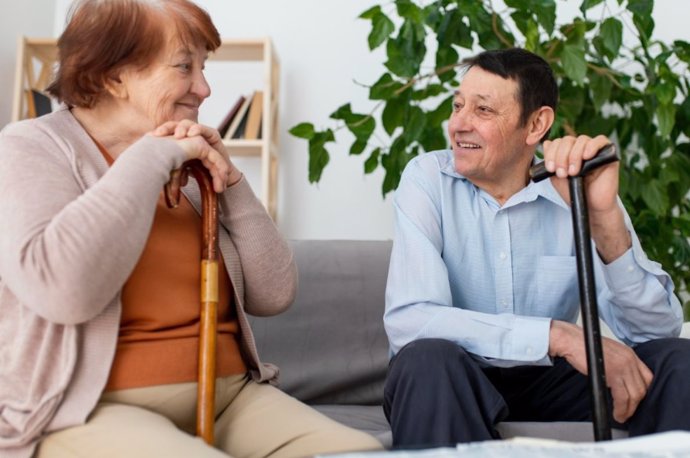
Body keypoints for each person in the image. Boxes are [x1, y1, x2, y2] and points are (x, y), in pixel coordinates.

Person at [0, 1, 383, 457]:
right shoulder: (33, 148)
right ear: (113, 76)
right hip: (87, 408)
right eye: (185, 66)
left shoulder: (193, 167)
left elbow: (275, 293)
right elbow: (62, 288)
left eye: (204, 67)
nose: (203, 88)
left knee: (360, 453)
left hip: (230, 398)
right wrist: (150, 156)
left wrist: (233, 183)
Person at [383, 47, 690, 448]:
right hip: (460, 374)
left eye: (483, 110)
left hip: (550, 379)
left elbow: (654, 331)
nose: (458, 123)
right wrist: (559, 336)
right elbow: (411, 321)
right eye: (458, 106)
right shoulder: (427, 179)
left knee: (678, 363)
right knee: (425, 361)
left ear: (536, 125)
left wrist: (603, 217)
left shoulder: (571, 186)